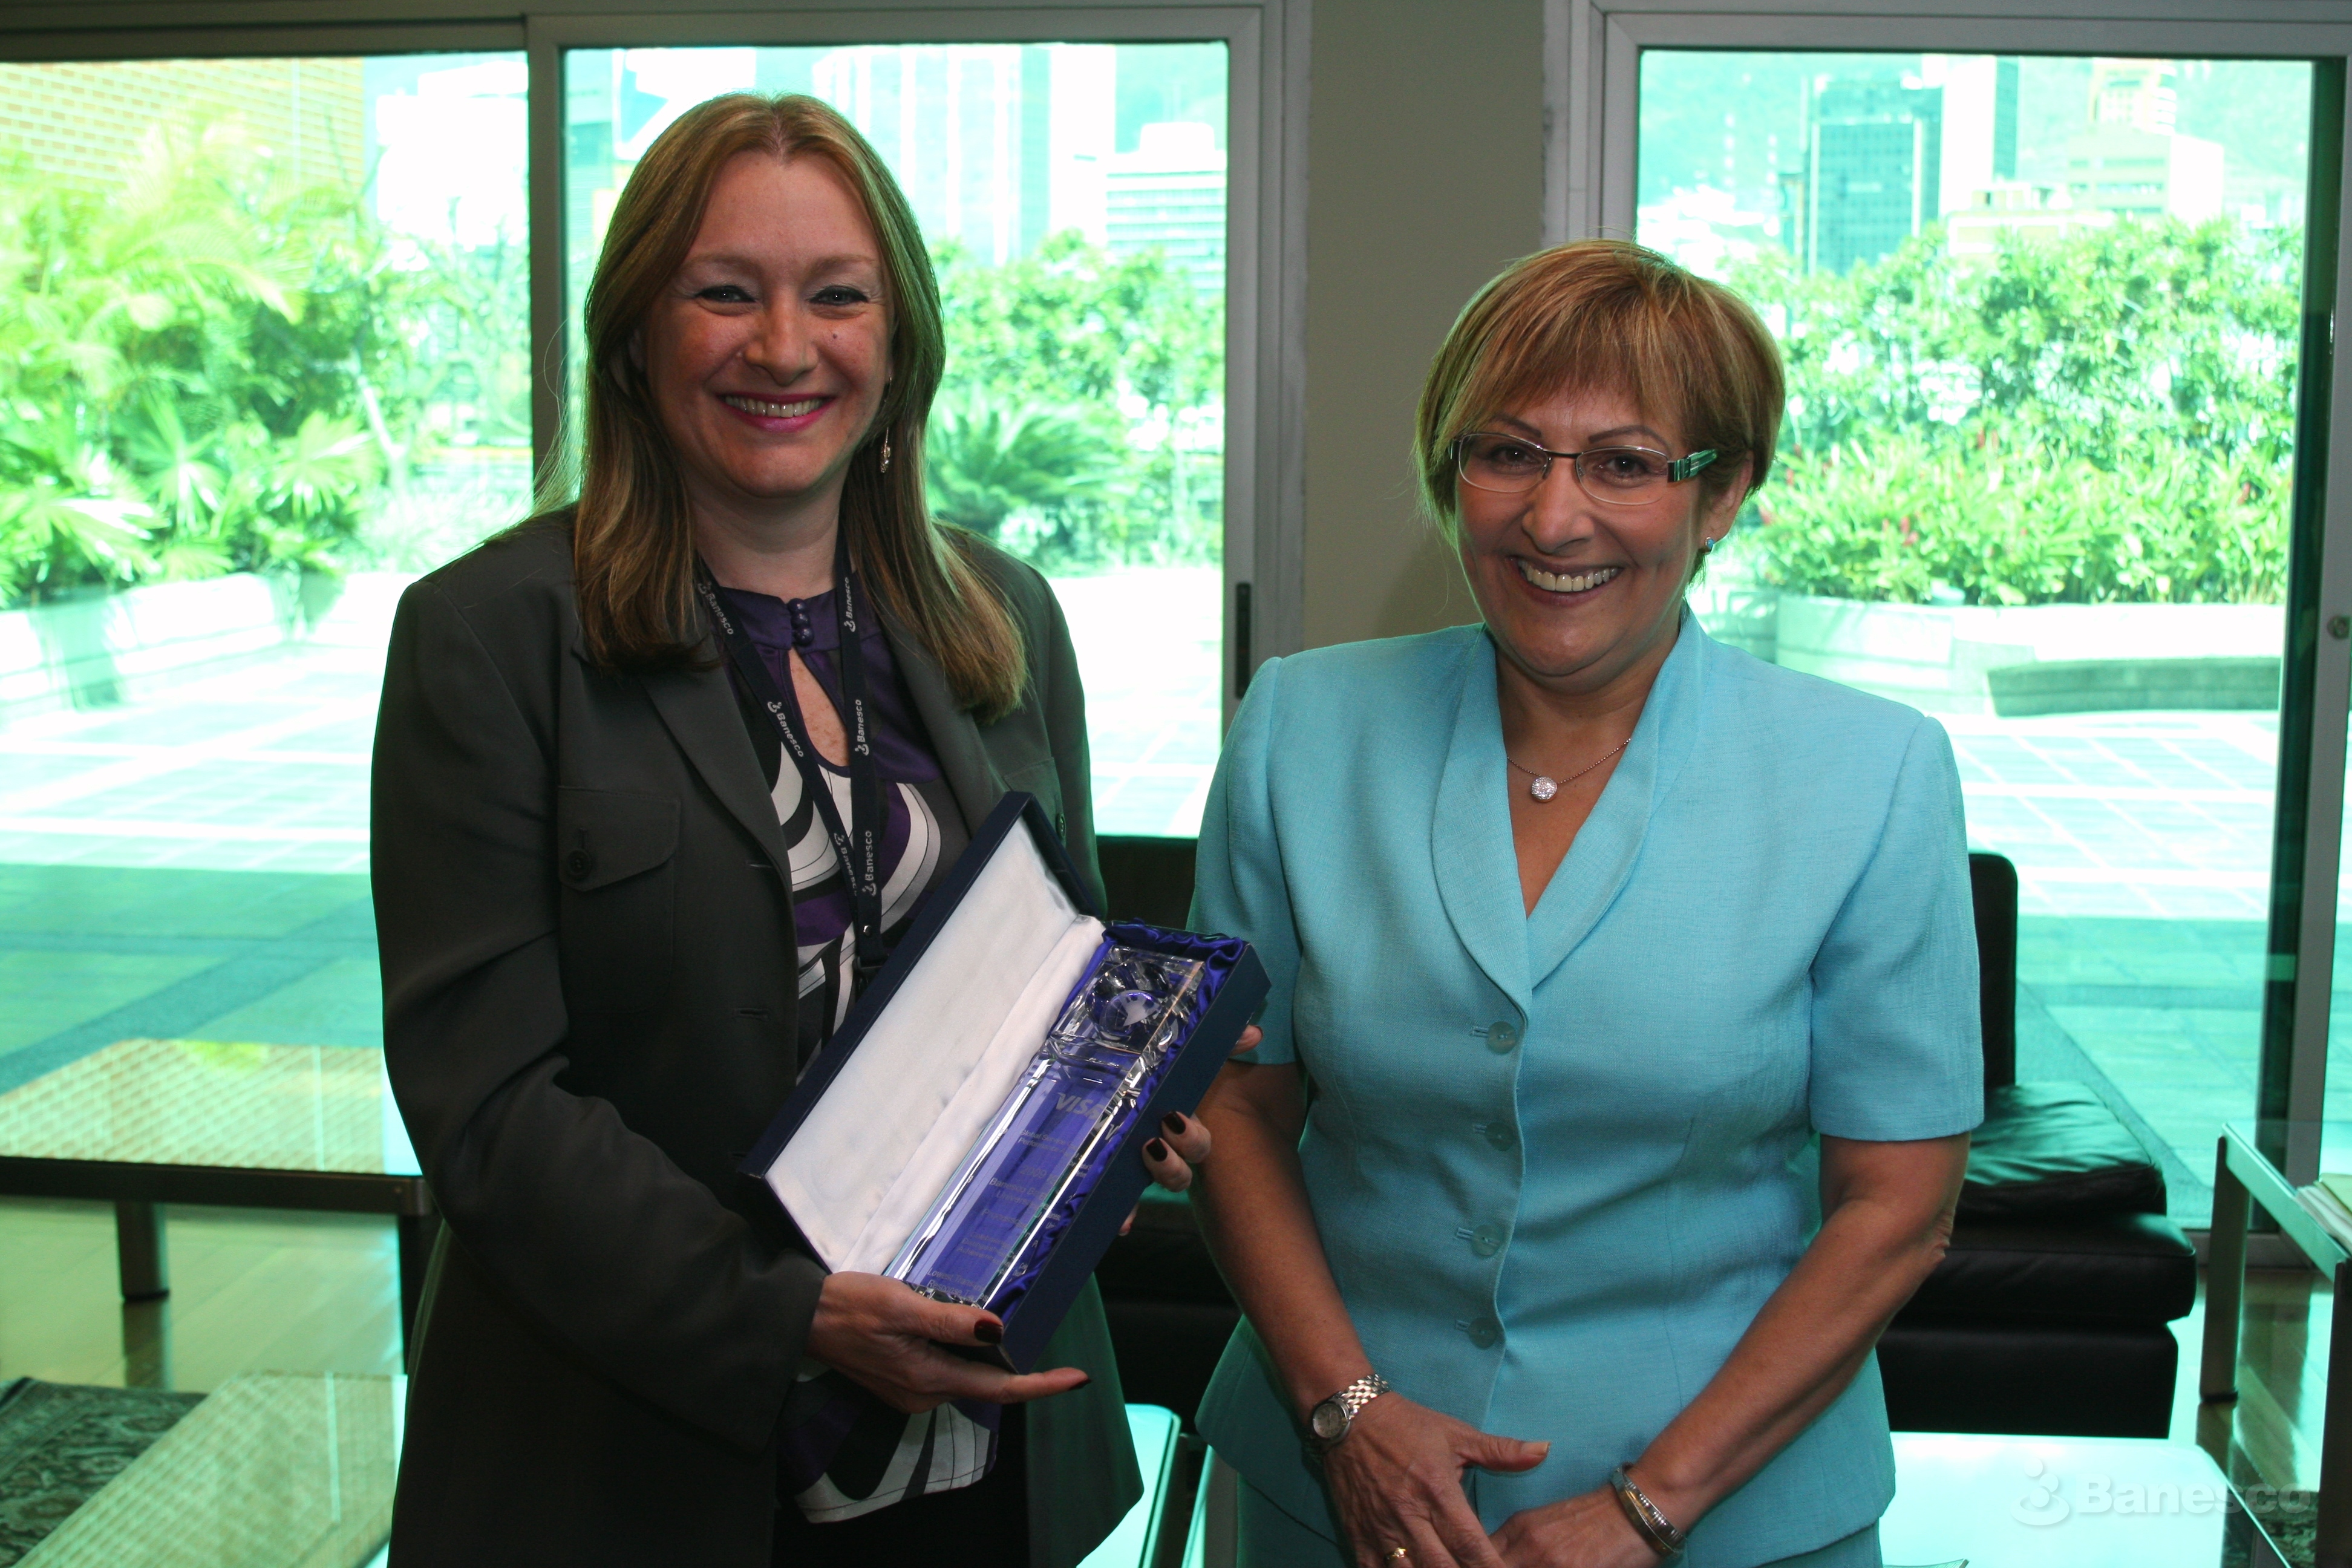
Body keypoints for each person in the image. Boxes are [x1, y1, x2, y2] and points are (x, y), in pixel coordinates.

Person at [370, 93, 1212, 1568]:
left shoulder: (1004, 619)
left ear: (899, 341)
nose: (783, 347)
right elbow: (488, 1107)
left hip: (975, 1454)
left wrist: (1122, 1108)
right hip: (626, 1466)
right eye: (723, 292)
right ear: (636, 335)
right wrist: (789, 1314)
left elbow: (1062, 973)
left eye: (836, 295)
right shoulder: (490, 639)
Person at [1179, 240, 1982, 1568]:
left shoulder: (1870, 773)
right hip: (1338, 1493)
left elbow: (1897, 1207)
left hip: (1733, 1513)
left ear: (1721, 492)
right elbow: (1237, 1110)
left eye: (1623, 464)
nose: (1554, 521)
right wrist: (1349, 1414)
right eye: (1508, 454)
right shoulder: (1299, 730)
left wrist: (1648, 1507)